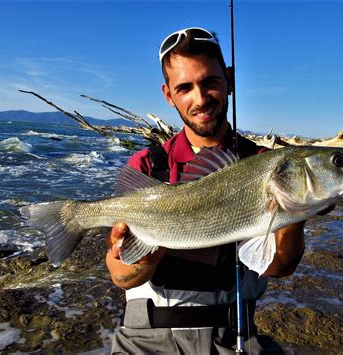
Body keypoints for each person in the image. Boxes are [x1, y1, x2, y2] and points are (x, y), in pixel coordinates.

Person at [106, 27, 305, 354]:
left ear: (229, 79)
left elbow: (279, 267)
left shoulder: (264, 165)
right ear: (168, 95)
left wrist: (294, 213)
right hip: (145, 339)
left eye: (210, 82)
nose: (200, 99)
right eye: (184, 88)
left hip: (235, 336)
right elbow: (122, 278)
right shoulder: (146, 165)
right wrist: (144, 259)